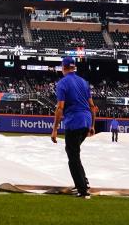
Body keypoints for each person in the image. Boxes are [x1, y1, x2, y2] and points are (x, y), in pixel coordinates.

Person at [50, 56, 97, 198]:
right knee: (75, 153)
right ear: (74, 67)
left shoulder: (62, 84)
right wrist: (92, 125)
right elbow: (92, 106)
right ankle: (84, 183)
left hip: (74, 121)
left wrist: (55, 129)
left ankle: (82, 189)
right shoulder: (84, 82)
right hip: (86, 121)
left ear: (63, 68)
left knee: (73, 156)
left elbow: (60, 108)